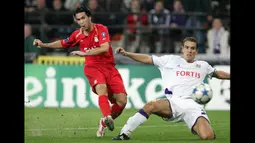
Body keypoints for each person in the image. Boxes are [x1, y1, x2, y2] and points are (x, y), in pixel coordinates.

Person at [33, 5, 128, 137]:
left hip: (109, 67)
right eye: (78, 19)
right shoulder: (77, 35)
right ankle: (107, 116)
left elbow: (105, 48)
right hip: (92, 67)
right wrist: (43, 44)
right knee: (102, 89)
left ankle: (103, 122)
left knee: (122, 101)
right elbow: (62, 43)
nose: (81, 22)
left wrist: (85, 53)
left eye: (83, 18)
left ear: (89, 17)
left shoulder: (101, 29)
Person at [112, 37, 230, 140]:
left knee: (207, 137)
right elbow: (147, 59)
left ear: (196, 51)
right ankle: (124, 133)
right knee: (151, 105)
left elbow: (217, 73)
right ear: (182, 49)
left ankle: (199, 127)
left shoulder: (203, 66)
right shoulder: (170, 60)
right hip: (173, 103)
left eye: (192, 48)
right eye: (187, 47)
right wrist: (127, 54)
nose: (189, 50)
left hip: (193, 106)